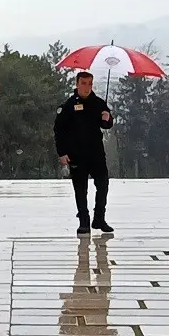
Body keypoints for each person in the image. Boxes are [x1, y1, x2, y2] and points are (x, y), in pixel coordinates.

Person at [53, 71, 115, 235]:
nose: (87, 87)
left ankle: (99, 218)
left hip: (96, 153)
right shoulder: (68, 106)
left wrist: (107, 118)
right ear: (77, 84)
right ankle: (84, 221)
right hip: (76, 154)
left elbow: (106, 125)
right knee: (80, 189)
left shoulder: (99, 103)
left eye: (90, 83)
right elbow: (59, 130)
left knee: (103, 185)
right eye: (84, 83)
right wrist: (62, 152)